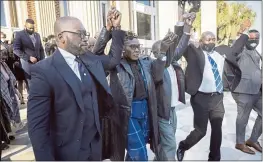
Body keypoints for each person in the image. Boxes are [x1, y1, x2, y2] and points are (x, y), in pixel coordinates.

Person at [27, 8, 125, 160]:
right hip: (68, 153)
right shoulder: (43, 71)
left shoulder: (89, 60)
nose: (85, 38)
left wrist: (114, 28)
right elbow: (38, 128)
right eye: (80, 34)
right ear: (61, 37)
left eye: (85, 34)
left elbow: (113, 59)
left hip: (95, 148)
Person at [176, 20, 251, 161]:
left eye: (213, 39)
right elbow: (181, 41)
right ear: (201, 41)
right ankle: (183, 146)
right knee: (200, 131)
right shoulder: (194, 52)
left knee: (217, 130)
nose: (211, 41)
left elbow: (236, 48)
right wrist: (185, 26)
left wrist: (245, 32)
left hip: (217, 98)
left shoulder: (220, 52)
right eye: (208, 39)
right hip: (200, 98)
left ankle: (214, 158)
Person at [151, 13, 195, 160]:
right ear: (156, 53)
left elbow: (180, 46)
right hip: (161, 113)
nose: (167, 52)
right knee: (170, 144)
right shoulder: (155, 66)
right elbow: (157, 76)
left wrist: (186, 27)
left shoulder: (172, 62)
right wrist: (163, 54)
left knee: (166, 142)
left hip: (172, 110)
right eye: (163, 51)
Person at [231, 29, 262, 154]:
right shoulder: (241, 50)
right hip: (243, 90)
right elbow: (233, 51)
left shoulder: (256, 53)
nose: (253, 40)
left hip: (257, 91)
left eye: (256, 38)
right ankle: (240, 142)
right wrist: (243, 34)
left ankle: (253, 140)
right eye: (251, 37)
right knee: (243, 118)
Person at [13, 19, 45, 90]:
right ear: (25, 26)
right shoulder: (19, 34)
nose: (31, 29)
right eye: (29, 28)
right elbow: (16, 49)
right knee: (30, 84)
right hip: (27, 63)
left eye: (33, 28)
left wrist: (42, 60)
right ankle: (33, 99)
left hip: (38, 63)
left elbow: (41, 49)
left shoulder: (37, 35)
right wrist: (28, 58)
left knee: (39, 81)